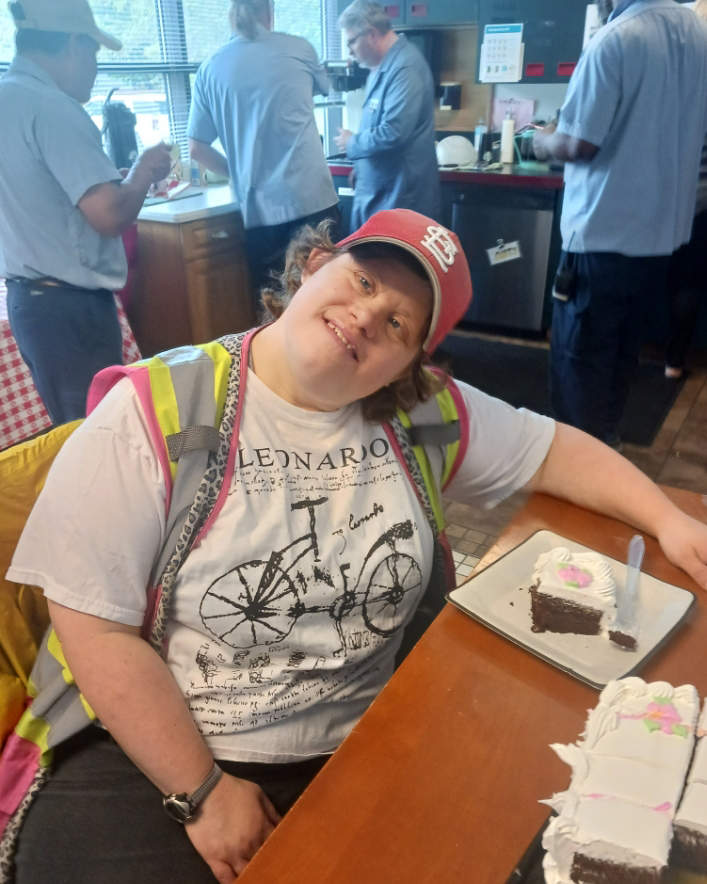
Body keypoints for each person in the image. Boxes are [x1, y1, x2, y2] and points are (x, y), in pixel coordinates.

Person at [5, 208, 707, 884]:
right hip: (149, 749)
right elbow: (94, 629)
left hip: (359, 741)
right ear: (312, 266)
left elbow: (552, 450)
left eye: (399, 322)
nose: (368, 316)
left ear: (408, 364)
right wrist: (204, 792)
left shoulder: (420, 410)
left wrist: (669, 519)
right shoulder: (154, 409)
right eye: (363, 281)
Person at [533, 0, 707, 448]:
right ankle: (606, 451)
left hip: (602, 237)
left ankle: (579, 479)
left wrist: (541, 141)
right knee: (621, 359)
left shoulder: (615, 39)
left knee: (580, 365)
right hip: (661, 239)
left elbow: (580, 143)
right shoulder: (697, 31)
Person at [0, 0, 172, 427]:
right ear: (75, 44)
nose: (95, 66)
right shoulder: (53, 108)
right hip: (69, 310)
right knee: (104, 434)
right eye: (94, 51)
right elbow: (110, 214)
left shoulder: (8, 98)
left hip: (30, 301)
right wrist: (143, 170)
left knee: (77, 433)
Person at [187, 0, 340, 301]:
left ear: (231, 14)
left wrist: (238, 173)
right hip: (313, 204)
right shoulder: (299, 48)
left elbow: (196, 148)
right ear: (269, 10)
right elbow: (324, 87)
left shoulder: (209, 69)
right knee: (328, 303)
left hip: (260, 214)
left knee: (275, 312)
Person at [334, 1, 439, 231]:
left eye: (351, 41)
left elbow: (393, 132)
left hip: (399, 202)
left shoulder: (405, 68)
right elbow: (375, 124)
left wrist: (352, 142)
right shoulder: (379, 67)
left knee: (388, 267)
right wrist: (361, 169)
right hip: (378, 198)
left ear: (371, 34)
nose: (349, 50)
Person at [664, 0, 707, 380]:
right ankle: (674, 363)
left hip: (670, 196)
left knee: (664, 280)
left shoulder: (678, 81)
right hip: (701, 201)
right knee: (689, 284)